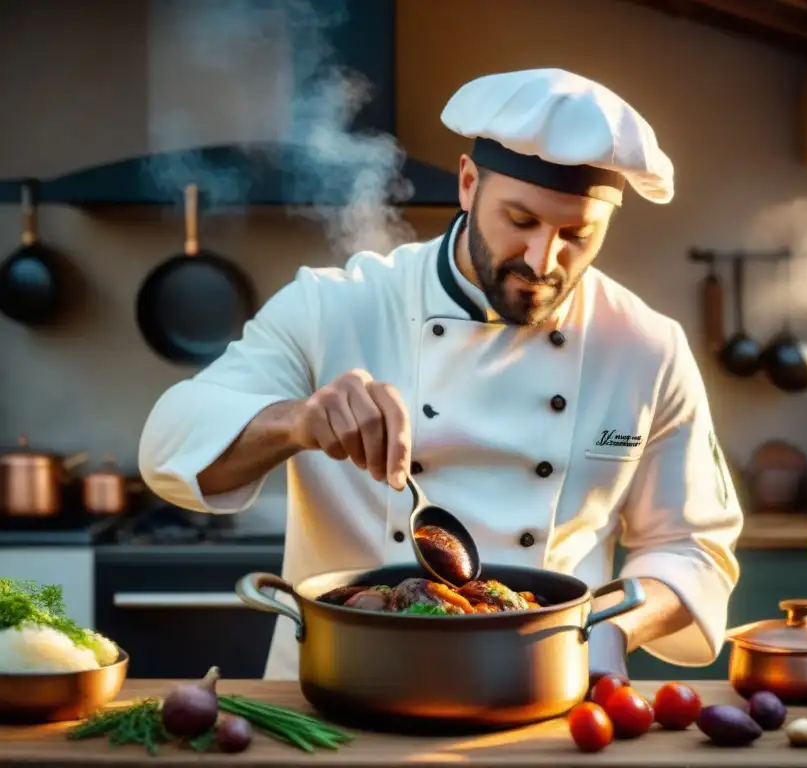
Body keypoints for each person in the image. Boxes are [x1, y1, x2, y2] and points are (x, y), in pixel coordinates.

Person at [138, 67, 743, 682]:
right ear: (468, 182)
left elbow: (693, 547)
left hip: (544, 689)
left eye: (576, 236)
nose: (543, 260)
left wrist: (610, 632)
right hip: (337, 687)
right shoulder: (333, 307)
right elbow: (168, 450)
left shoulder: (647, 348)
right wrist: (297, 422)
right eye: (521, 221)